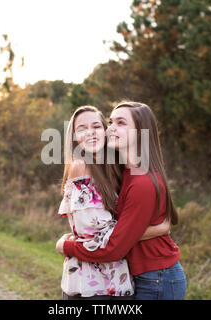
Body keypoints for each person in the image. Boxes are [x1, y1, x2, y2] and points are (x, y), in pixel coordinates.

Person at [57, 102, 186, 300]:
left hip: (155, 277)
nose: (111, 128)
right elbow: (105, 236)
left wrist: (65, 246)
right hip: (114, 279)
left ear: (140, 133)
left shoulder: (135, 177)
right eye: (110, 122)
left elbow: (113, 245)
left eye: (120, 123)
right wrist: (157, 229)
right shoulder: (117, 170)